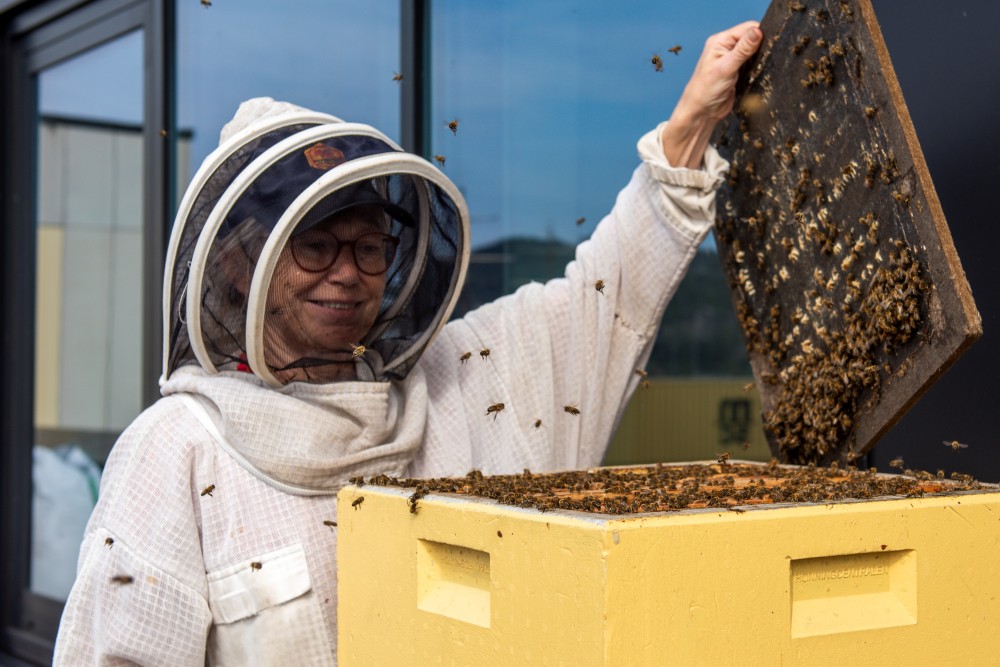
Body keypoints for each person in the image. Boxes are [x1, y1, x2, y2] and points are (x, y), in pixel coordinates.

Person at [53, 20, 762, 666]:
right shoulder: (175, 451)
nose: (348, 273)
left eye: (368, 247)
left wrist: (689, 127)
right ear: (239, 263)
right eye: (317, 245)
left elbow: (604, 302)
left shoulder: (458, 384)